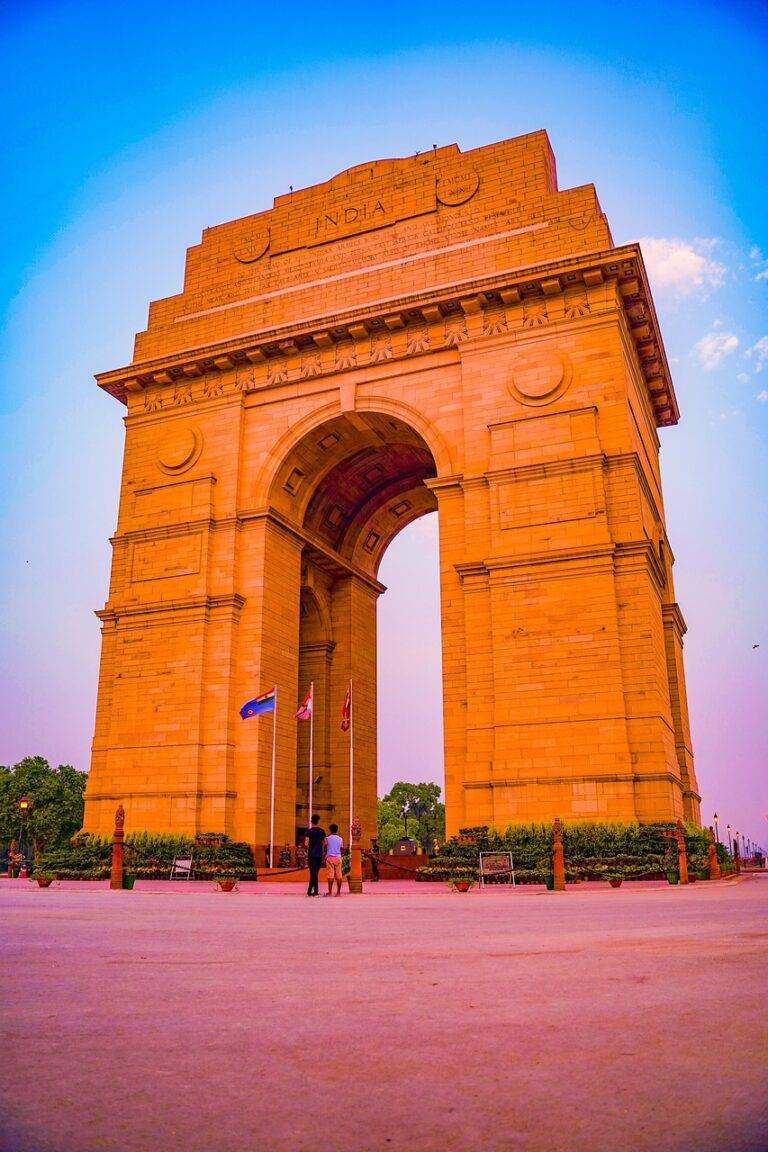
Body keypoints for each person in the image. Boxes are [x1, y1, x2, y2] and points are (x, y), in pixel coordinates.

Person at [304, 814, 326, 897]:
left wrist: (311, 846)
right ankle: (310, 891)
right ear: (318, 821)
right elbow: (325, 842)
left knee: (313, 873)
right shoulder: (322, 831)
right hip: (319, 854)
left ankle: (314, 891)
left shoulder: (309, 831)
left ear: (311, 821)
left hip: (311, 854)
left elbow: (306, 843)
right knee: (315, 873)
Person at [324, 823, 344, 896]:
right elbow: (341, 848)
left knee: (330, 875)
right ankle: (338, 892)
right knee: (339, 875)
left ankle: (330, 892)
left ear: (330, 830)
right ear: (337, 830)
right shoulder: (340, 839)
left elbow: (324, 846)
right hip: (338, 857)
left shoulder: (327, 838)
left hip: (330, 857)